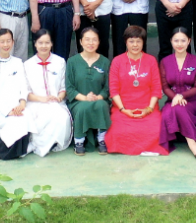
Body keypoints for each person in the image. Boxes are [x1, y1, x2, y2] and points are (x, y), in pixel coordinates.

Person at [106, 26, 170, 155]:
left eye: (138, 41)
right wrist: (124, 109)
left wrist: (149, 109)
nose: (135, 45)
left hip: (147, 107)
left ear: (143, 42)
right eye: (131, 41)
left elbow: (156, 88)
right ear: (125, 42)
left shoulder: (151, 60)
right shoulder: (117, 61)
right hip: (123, 108)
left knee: (156, 131)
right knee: (118, 132)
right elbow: (114, 90)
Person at [0, 29, 34, 161]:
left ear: (13, 42)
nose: (6, 44)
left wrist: (22, 103)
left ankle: (13, 150)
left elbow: (24, 85)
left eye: (8, 41)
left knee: (26, 117)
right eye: (2, 41)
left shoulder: (18, 62)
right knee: (17, 123)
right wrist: (8, 111)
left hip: (17, 108)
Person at [23, 30, 74, 156]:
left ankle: (52, 143)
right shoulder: (27, 64)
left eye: (47, 42)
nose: (44, 46)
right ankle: (40, 145)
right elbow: (26, 91)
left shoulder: (60, 61)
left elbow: (64, 86)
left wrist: (58, 97)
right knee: (41, 117)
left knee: (62, 117)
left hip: (56, 102)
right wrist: (42, 99)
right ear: (35, 44)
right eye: (40, 42)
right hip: (35, 102)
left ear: (52, 44)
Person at [65, 27, 112, 155]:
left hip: (99, 100)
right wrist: (85, 98)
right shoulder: (72, 62)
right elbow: (69, 87)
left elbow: (108, 87)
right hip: (78, 101)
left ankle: (102, 139)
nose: (90, 43)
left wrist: (98, 97)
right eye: (87, 39)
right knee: (83, 108)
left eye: (94, 40)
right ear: (80, 41)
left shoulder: (105, 62)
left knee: (102, 105)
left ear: (99, 42)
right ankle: (79, 141)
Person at [159, 28, 196, 158]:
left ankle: (191, 144)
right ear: (171, 42)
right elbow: (165, 86)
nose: (180, 44)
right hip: (172, 99)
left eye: (183, 40)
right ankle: (192, 140)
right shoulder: (165, 62)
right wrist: (175, 97)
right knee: (172, 109)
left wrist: (181, 96)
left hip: (191, 101)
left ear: (189, 41)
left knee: (177, 108)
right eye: (176, 40)